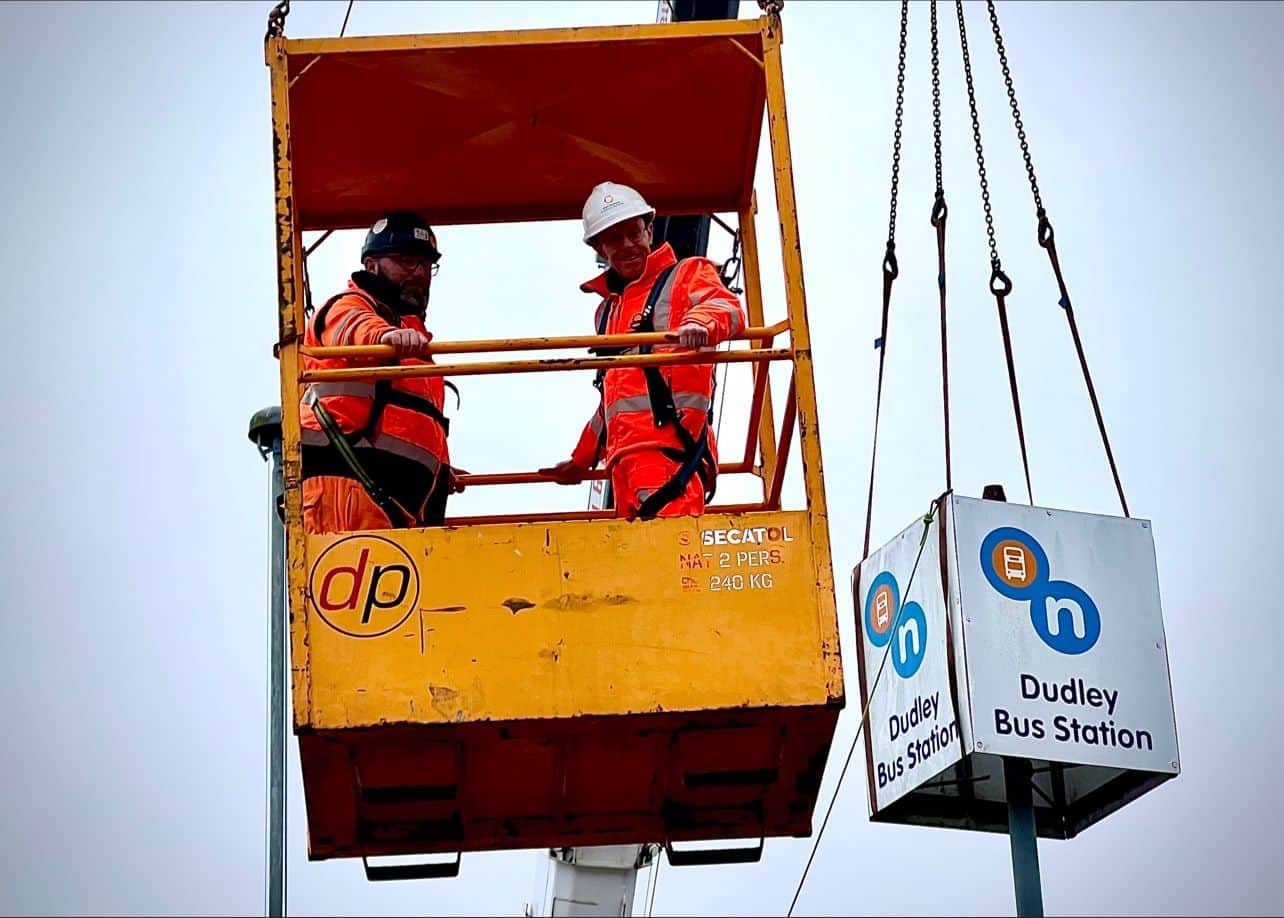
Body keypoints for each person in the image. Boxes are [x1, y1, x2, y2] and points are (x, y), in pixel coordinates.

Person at [541, 182, 746, 520]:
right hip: (621, 467)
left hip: (668, 459)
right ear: (598, 247)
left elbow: (725, 306)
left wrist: (699, 324)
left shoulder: (686, 274)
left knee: (669, 567)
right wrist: (580, 461)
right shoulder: (607, 311)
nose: (627, 246)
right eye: (613, 239)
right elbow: (615, 399)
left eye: (633, 233)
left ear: (649, 229)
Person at [299, 211, 463, 533]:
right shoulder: (349, 306)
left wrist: (439, 469)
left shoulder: (415, 342)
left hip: (393, 508)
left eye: (426, 264)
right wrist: (384, 337)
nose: (419, 273)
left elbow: (409, 418)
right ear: (371, 265)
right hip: (346, 495)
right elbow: (352, 327)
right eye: (406, 260)